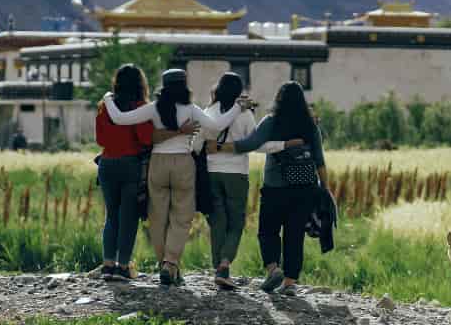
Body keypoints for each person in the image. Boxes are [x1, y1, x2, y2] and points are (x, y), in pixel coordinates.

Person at [102, 68, 250, 286]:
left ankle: (164, 264)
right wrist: (238, 107)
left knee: (158, 219)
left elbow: (120, 119)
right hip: (183, 163)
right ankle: (170, 263)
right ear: (184, 85)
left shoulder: (153, 108)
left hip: (158, 164)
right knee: (181, 217)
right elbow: (217, 125)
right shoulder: (191, 109)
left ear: (164, 86)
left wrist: (108, 98)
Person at [213, 81, 326, 295]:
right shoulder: (310, 125)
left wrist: (220, 147)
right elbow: (319, 160)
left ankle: (274, 269)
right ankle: (290, 283)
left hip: (275, 187)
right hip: (305, 188)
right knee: (295, 235)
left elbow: (250, 144)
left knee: (267, 231)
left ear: (279, 99)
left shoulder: (271, 121)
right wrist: (325, 188)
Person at [194, 72, 301, 289]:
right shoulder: (244, 116)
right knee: (236, 223)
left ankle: (219, 269)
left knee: (217, 221)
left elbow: (196, 146)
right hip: (236, 174)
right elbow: (257, 145)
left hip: (212, 173)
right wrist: (284, 144)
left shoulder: (208, 112)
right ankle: (224, 264)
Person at [93, 64, 154, 282]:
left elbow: (100, 140)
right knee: (128, 216)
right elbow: (146, 138)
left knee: (112, 216)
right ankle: (123, 266)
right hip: (130, 165)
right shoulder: (139, 107)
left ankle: (108, 264)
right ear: (140, 84)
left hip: (107, 164)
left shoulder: (104, 107)